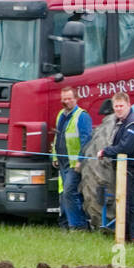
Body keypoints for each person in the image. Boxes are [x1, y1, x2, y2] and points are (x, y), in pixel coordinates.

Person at [97, 89, 134, 244]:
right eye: (116, 106)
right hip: (121, 170)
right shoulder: (120, 122)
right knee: (122, 203)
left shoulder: (133, 124)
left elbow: (125, 148)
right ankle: (124, 235)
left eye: (121, 106)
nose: (118, 109)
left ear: (128, 105)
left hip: (131, 170)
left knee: (132, 204)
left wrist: (105, 151)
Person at [53, 86, 93, 231]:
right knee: (63, 193)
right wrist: (54, 156)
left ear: (76, 99)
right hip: (62, 162)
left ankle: (79, 226)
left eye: (69, 98)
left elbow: (86, 141)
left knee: (70, 192)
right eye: (64, 99)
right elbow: (57, 136)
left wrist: (80, 161)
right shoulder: (60, 115)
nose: (66, 101)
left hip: (74, 163)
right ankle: (65, 225)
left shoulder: (82, 116)